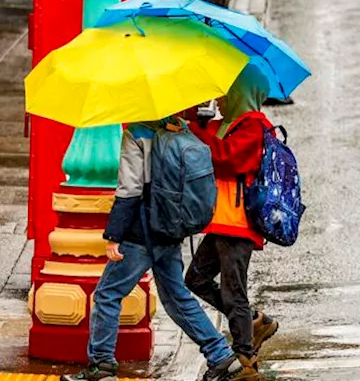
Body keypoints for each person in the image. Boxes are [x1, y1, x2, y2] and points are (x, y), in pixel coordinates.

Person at [62, 119, 248, 381]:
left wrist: (114, 235)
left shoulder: (136, 134)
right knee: (176, 298)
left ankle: (101, 367)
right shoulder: (181, 128)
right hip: (170, 230)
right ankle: (221, 356)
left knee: (107, 295)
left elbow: (130, 189)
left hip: (140, 234)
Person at [187, 64, 280, 375]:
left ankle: (244, 357)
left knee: (233, 290)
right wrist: (195, 117)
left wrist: (198, 130)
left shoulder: (254, 127)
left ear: (242, 94)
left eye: (228, 92)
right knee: (196, 279)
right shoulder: (230, 124)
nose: (221, 99)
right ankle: (253, 321)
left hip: (239, 224)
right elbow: (201, 135)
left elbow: (224, 158)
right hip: (221, 220)